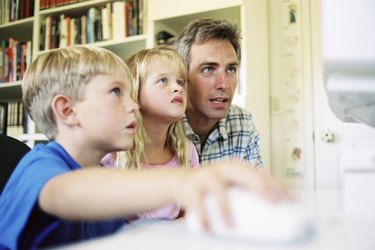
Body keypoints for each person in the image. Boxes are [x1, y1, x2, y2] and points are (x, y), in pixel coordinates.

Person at [0, 46, 287, 249]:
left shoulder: (105, 183)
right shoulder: (42, 168)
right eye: (116, 92)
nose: (134, 105)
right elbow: (68, 192)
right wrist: (185, 180)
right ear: (67, 110)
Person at [110, 46, 199, 220]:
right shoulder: (114, 155)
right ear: (135, 93)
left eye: (180, 82)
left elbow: (189, 215)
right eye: (163, 80)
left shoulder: (188, 152)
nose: (177, 88)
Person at [174, 18, 263, 169]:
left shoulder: (242, 123)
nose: (224, 84)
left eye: (231, 69)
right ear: (182, 77)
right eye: (208, 69)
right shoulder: (161, 124)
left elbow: (255, 190)